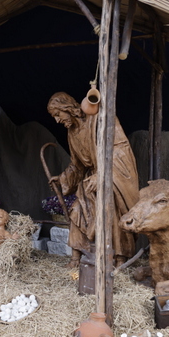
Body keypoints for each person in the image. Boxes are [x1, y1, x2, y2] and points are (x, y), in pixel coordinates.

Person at [46, 92, 140, 268]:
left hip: (113, 177)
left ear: (67, 108)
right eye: (54, 117)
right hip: (91, 180)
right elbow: (77, 165)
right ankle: (77, 258)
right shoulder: (72, 133)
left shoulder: (98, 119)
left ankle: (118, 259)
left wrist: (103, 175)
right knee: (77, 209)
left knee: (109, 207)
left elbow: (120, 149)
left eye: (58, 115)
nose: (58, 121)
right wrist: (63, 178)